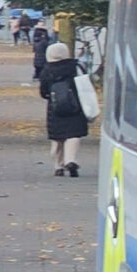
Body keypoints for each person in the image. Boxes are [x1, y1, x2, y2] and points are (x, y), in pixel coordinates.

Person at [38, 40, 88, 177]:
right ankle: (70, 159)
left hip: (55, 108)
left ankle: (58, 165)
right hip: (75, 106)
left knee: (57, 137)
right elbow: (85, 84)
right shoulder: (75, 67)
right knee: (73, 135)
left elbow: (43, 92)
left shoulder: (47, 70)